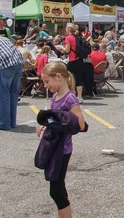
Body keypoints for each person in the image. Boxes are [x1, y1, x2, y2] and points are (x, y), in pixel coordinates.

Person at [37, 62, 86, 218]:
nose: (45, 85)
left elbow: (81, 124)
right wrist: (47, 126)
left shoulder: (70, 99)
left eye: (47, 81)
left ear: (58, 77)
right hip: (54, 146)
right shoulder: (56, 96)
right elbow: (54, 118)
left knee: (56, 190)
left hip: (62, 149)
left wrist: (60, 123)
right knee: (57, 187)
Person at [0, 36, 24, 130]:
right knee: (13, 93)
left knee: (3, 94)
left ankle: (4, 123)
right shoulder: (4, 39)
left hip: (6, 64)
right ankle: (12, 122)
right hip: (18, 62)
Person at [63, 23, 86, 104]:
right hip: (79, 59)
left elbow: (67, 50)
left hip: (72, 60)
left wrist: (61, 48)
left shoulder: (68, 38)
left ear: (69, 29)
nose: (65, 30)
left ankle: (71, 95)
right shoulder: (78, 37)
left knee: (70, 78)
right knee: (79, 78)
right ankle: (79, 97)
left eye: (66, 28)